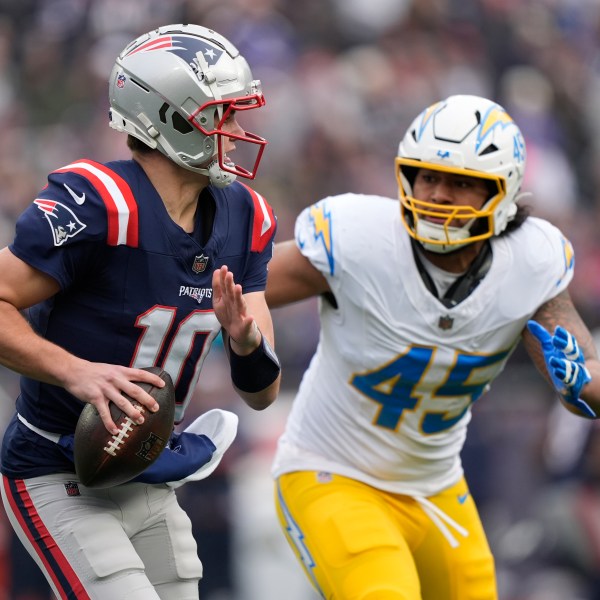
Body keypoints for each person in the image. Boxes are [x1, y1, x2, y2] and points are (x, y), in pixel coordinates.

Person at [265, 94, 600, 600]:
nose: (439, 194)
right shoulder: (360, 238)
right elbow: (239, 288)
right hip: (331, 471)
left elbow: (584, 372)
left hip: (437, 487)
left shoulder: (533, 261)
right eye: (428, 177)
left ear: (501, 191)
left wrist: (582, 382)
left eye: (461, 182)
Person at [0, 23, 281, 600]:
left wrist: (248, 346)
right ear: (170, 116)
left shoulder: (246, 218)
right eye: (222, 115)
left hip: (147, 470)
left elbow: (262, 394)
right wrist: (75, 371)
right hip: (57, 467)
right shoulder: (100, 201)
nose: (238, 130)